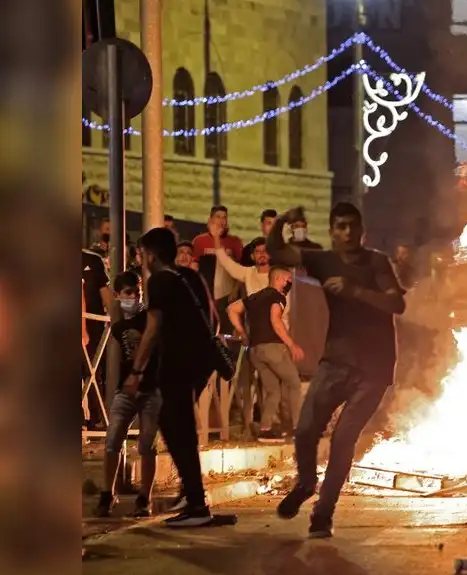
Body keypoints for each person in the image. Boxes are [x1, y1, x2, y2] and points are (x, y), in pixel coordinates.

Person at [267, 203, 405, 539]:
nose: (346, 233)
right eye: (339, 227)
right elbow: (277, 251)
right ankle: (306, 484)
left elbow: (396, 303)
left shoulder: (377, 262)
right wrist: (282, 221)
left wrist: (356, 291)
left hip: (374, 369)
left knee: (343, 439)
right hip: (335, 361)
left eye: (351, 227)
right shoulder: (322, 260)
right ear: (331, 232)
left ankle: (323, 514)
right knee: (305, 430)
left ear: (362, 231)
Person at [126, 227, 215, 527]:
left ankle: (196, 502)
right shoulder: (190, 276)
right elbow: (211, 316)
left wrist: (136, 372)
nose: (141, 260)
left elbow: (152, 329)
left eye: (141, 254)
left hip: (177, 362)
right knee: (178, 424)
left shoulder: (159, 281)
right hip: (199, 362)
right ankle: (194, 497)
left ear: (150, 254)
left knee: (175, 424)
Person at [94, 271, 161, 518]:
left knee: (146, 444)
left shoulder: (148, 318)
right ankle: (107, 494)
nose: (134, 297)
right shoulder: (120, 322)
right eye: (128, 293)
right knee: (112, 441)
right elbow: (113, 310)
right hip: (126, 389)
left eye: (137, 292)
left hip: (151, 388)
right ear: (119, 295)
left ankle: (145, 498)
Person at [227, 266, 304, 440]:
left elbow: (231, 309)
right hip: (272, 348)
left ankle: (265, 429)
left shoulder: (254, 297)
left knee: (273, 390)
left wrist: (243, 333)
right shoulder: (278, 296)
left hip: (255, 350)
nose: (289, 283)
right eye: (287, 279)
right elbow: (275, 321)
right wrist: (291, 344)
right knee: (294, 383)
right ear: (278, 279)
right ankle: (299, 427)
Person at [191, 205, 243, 324]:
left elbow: (242, 269)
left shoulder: (235, 241)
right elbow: (194, 268)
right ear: (210, 219)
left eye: (224, 217)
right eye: (218, 217)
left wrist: (235, 290)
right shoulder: (199, 241)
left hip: (227, 295)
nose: (221, 220)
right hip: (206, 293)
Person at [82, 248, 112, 429]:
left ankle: (96, 419)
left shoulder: (93, 260)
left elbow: (105, 293)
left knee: (93, 372)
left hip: (93, 328)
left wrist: (116, 318)